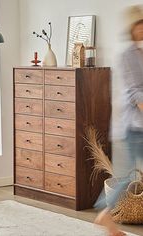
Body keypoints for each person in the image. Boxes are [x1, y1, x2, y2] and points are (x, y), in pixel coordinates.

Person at [94, 5, 143, 236]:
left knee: (126, 176)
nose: (142, 29)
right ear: (131, 28)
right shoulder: (127, 56)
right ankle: (105, 214)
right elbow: (135, 93)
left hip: (137, 125)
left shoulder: (140, 53)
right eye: (139, 25)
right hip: (133, 126)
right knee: (125, 176)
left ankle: (105, 216)